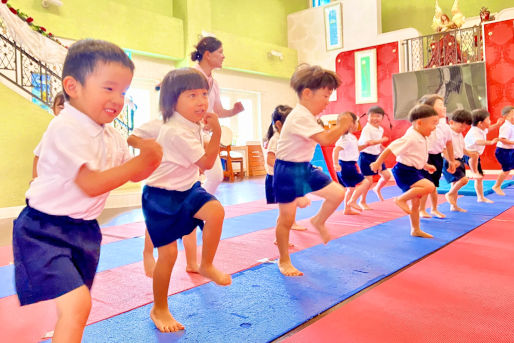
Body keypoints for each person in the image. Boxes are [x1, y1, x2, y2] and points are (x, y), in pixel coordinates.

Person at [12, 39, 163, 343]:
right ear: (73, 86)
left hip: (84, 231)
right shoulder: (66, 126)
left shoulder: (111, 135)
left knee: (77, 309)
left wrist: (151, 158)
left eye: (123, 91)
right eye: (109, 88)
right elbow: (92, 184)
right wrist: (141, 163)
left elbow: (127, 175)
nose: (118, 99)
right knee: (79, 304)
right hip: (44, 231)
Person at [140, 68, 231, 333]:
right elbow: (206, 162)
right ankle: (159, 308)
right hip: (161, 197)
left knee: (215, 211)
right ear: (172, 101)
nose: (202, 101)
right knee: (167, 255)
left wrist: (208, 130)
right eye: (192, 95)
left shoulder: (189, 125)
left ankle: (206, 264)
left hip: (187, 189)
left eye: (204, 94)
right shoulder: (173, 130)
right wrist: (216, 133)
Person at [273, 64, 353, 276]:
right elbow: (326, 140)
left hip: (305, 167)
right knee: (287, 220)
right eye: (325, 96)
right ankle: (283, 260)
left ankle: (318, 220)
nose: (328, 102)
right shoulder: (299, 115)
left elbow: (322, 137)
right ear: (307, 93)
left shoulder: (308, 116)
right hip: (287, 171)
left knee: (338, 193)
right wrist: (342, 125)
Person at [128, 118, 201, 277]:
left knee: (190, 220)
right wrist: (147, 146)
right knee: (157, 221)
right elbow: (132, 138)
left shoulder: (193, 124)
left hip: (188, 181)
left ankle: (192, 262)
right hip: (162, 183)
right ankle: (148, 253)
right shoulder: (160, 121)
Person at [371, 104, 439, 238]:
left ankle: (415, 229)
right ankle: (400, 200)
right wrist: (378, 162)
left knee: (416, 202)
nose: (435, 127)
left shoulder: (420, 136)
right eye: (433, 123)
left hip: (413, 170)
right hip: (404, 171)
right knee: (429, 186)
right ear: (419, 123)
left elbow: (413, 156)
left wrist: (425, 165)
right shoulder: (411, 137)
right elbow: (390, 148)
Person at [191, 36, 244, 194]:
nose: (223, 56)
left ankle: (198, 209)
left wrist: (234, 111)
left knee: (215, 176)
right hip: (187, 134)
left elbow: (218, 112)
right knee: (189, 178)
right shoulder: (190, 75)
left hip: (203, 134)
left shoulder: (214, 83)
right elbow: (181, 106)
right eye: (220, 52)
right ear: (208, 54)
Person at [264, 105, 308, 242]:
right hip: (277, 179)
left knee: (290, 208)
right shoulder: (276, 139)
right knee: (286, 211)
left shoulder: (287, 137)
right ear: (279, 124)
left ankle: (291, 224)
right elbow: (270, 159)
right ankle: (280, 238)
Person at [417, 94, 458, 219]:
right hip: (425, 157)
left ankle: (434, 208)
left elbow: (449, 143)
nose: (444, 107)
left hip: (437, 158)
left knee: (434, 185)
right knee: (426, 185)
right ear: (429, 108)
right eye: (440, 105)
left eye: (443, 104)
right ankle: (422, 209)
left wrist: (451, 160)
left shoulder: (445, 126)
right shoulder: (424, 123)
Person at [332, 112, 371, 215]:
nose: (357, 124)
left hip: (349, 165)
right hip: (346, 165)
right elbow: (336, 150)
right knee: (365, 182)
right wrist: (335, 163)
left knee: (351, 188)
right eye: (356, 122)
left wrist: (366, 145)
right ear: (351, 124)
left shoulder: (351, 137)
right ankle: (353, 201)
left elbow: (356, 149)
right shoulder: (345, 137)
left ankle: (347, 209)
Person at [464, 109, 504, 202]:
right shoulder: (475, 131)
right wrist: (490, 142)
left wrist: (497, 125)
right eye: (488, 120)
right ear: (480, 123)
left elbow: (488, 129)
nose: (490, 121)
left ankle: (480, 197)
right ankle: (474, 172)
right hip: (467, 154)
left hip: (474, 156)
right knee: (475, 156)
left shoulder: (480, 129)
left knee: (480, 178)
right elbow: (478, 141)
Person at [357, 106, 392, 209]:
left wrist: (383, 148)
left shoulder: (380, 129)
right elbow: (369, 143)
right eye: (372, 116)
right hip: (366, 156)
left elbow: (376, 143)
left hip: (376, 156)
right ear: (367, 117)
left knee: (386, 176)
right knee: (368, 181)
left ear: (382, 118)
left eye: (378, 116)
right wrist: (382, 140)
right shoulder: (367, 129)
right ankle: (362, 201)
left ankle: (377, 188)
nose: (375, 118)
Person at [442, 109, 475, 211]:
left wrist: (469, 153)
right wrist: (451, 161)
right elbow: (444, 149)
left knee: (455, 184)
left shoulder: (459, 134)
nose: (464, 128)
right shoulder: (448, 133)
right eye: (462, 126)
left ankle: (454, 205)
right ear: (451, 122)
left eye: (466, 126)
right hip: (450, 161)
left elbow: (461, 148)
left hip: (459, 160)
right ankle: (449, 194)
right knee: (464, 180)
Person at [32, 91, 65, 180]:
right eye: (61, 107)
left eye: (68, 109)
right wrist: (34, 180)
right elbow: (37, 156)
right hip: (48, 180)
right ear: (53, 109)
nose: (64, 112)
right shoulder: (51, 132)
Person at [492, 106, 514, 195]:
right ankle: (496, 186)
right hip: (503, 151)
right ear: (505, 117)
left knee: (507, 170)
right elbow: (502, 139)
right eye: (512, 114)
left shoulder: (511, 125)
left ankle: (497, 185)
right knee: (506, 170)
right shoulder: (506, 127)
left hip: (510, 150)